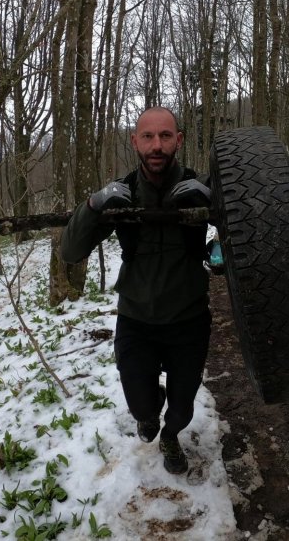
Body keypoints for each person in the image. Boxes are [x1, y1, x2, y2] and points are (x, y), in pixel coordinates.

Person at [61, 106, 212, 475]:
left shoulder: (200, 188)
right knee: (142, 409)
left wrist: (214, 200)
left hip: (189, 318)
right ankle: (149, 411)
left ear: (179, 139)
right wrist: (94, 205)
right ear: (134, 142)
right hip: (136, 319)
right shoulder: (121, 194)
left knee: (181, 409)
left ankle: (171, 436)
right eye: (147, 136)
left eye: (165, 136)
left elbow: (244, 237)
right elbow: (70, 252)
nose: (156, 145)